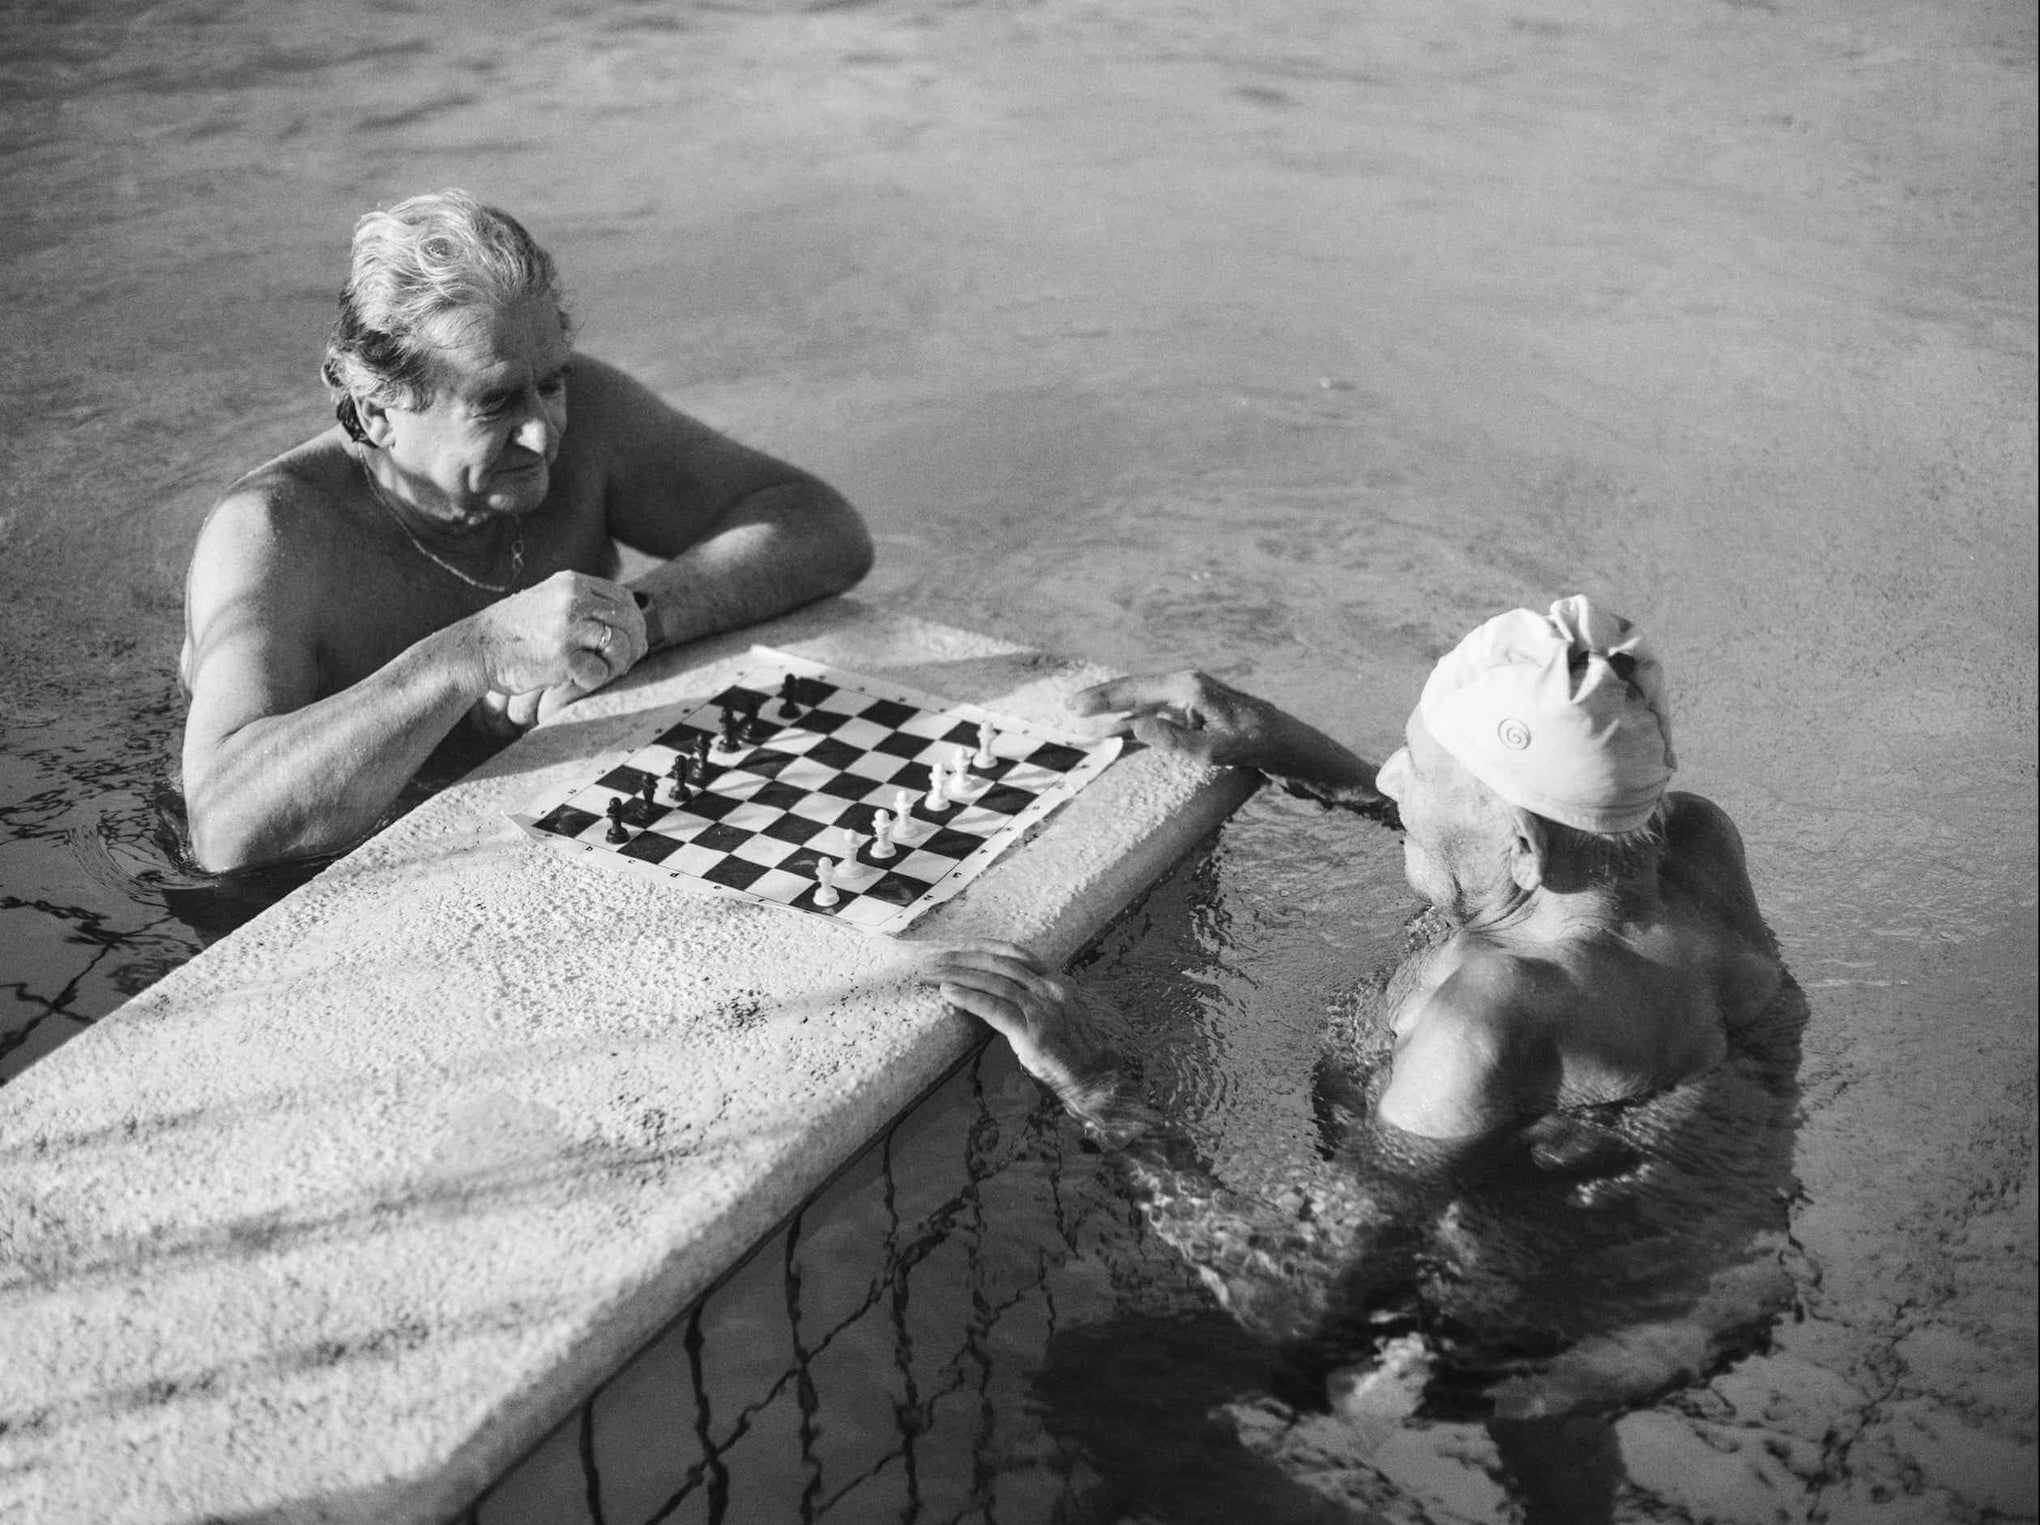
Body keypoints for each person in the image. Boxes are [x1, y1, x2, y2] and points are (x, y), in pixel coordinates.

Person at [178, 189, 872, 872]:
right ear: (378, 412)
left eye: (552, 382)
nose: (543, 434)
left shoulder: (592, 417)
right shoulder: (272, 531)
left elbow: (820, 524)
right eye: (495, 402)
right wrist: (471, 655)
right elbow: (222, 831)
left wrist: (629, 621)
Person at [929, 595, 1781, 1148]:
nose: (1390, 779)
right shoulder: (1694, 849)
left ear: (1523, 846)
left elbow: (1299, 1302)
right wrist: (1288, 749)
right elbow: (1520, 852)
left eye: (1417, 767)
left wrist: (1096, 1084)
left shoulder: (1481, 1028)